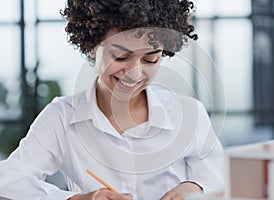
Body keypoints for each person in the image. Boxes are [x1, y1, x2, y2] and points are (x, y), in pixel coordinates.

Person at [0, 0, 225, 199]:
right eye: (121, 56)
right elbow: (9, 179)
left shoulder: (189, 113)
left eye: (150, 59)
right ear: (91, 47)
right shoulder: (62, 117)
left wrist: (195, 187)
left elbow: (222, 181)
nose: (134, 73)